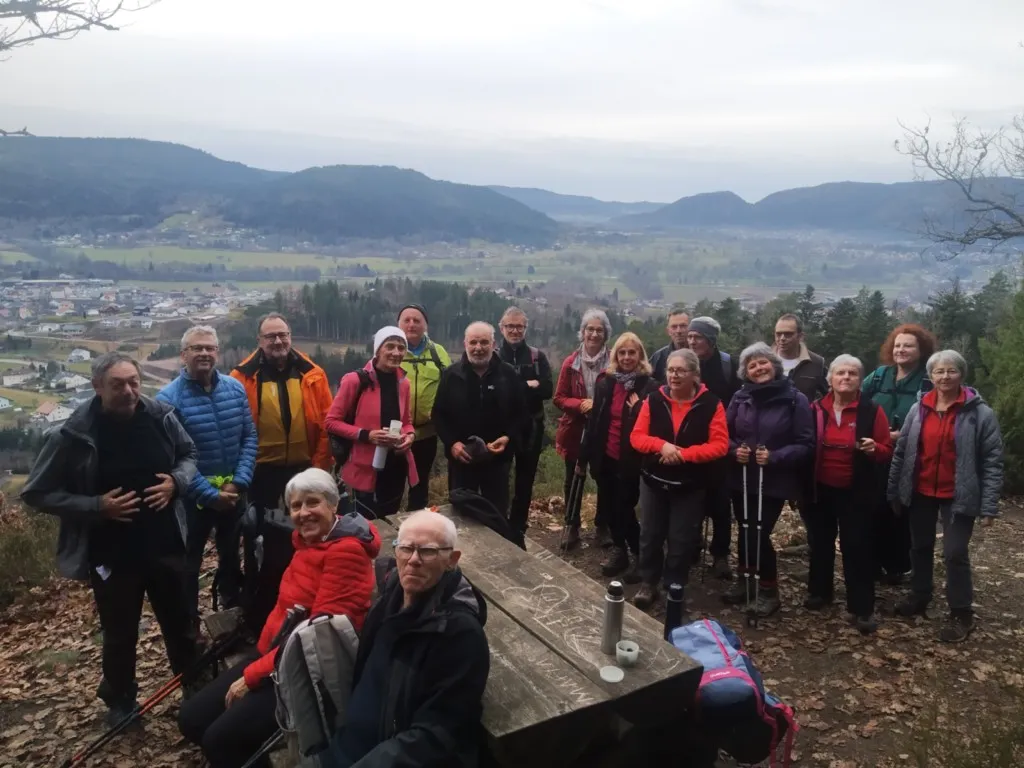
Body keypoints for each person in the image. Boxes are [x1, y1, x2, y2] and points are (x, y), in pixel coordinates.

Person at [22, 352, 199, 726]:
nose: (129, 390)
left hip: (166, 543)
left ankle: (196, 689)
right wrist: (95, 505)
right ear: (97, 387)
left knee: (181, 623)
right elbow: (36, 493)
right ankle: (120, 700)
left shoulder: (160, 416)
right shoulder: (73, 434)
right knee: (119, 634)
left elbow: (189, 454)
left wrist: (176, 483)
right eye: (117, 384)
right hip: (112, 553)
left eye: (133, 381)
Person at [179, 468, 380, 768]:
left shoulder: (345, 552)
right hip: (274, 656)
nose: (303, 513)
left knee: (219, 741)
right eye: (296, 506)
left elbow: (316, 638)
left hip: (307, 674)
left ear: (334, 505)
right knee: (191, 718)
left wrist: (251, 676)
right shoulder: (308, 544)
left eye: (313, 502)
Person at [329, 510, 490, 767]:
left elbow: (436, 735)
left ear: (452, 559)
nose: (413, 560)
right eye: (406, 548)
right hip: (342, 745)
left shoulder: (459, 635)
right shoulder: (388, 603)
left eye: (427, 551)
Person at [887, 350, 1003, 643]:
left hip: (959, 494)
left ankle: (961, 612)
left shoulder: (979, 413)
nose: (945, 376)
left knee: (954, 552)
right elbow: (902, 453)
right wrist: (894, 491)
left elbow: (992, 460)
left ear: (962, 374)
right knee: (920, 546)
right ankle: (920, 594)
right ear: (931, 376)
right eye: (939, 371)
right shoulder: (919, 409)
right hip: (921, 490)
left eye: (951, 371)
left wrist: (989, 505)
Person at [231, 312, 334, 632]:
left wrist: (318, 469)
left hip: (303, 469)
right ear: (259, 341)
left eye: (283, 335)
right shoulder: (242, 377)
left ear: (291, 337)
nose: (278, 341)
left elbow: (326, 425)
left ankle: (306, 601)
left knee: (307, 535)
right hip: (261, 472)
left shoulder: (312, 374)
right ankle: (261, 608)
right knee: (260, 540)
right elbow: (236, 430)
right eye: (270, 336)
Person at [157, 325, 257, 623]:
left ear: (217, 352)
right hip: (192, 499)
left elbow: (249, 438)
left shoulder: (235, 388)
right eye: (196, 348)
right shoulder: (168, 399)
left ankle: (231, 606)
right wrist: (210, 495)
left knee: (231, 553)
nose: (204, 353)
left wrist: (239, 483)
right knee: (189, 561)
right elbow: (172, 458)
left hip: (234, 491)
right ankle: (188, 622)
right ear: (183, 355)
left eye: (209, 348)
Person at [629, 348, 729, 609]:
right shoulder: (653, 400)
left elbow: (719, 445)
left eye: (681, 370)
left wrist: (684, 455)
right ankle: (648, 582)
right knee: (650, 533)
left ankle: (675, 584)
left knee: (681, 537)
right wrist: (662, 446)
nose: (674, 375)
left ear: (695, 375)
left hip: (690, 484)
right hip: (653, 479)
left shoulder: (711, 404)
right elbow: (637, 437)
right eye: (671, 370)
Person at [723, 343, 814, 617]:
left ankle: (768, 589)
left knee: (758, 532)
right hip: (741, 476)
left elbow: (806, 443)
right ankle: (745, 579)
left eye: (763, 363)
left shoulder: (795, 399)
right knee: (745, 526)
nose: (758, 368)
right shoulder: (740, 398)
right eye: (752, 366)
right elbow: (723, 433)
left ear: (774, 365)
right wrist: (732, 450)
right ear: (746, 373)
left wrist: (774, 457)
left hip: (773, 480)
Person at [804, 355, 892, 635]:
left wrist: (874, 449)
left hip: (857, 490)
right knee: (819, 543)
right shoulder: (815, 409)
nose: (846, 377)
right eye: (840, 373)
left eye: (852, 373)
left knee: (856, 546)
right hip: (820, 488)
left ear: (859, 380)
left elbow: (886, 449)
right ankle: (820, 592)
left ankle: (861, 606)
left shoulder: (871, 411)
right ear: (829, 379)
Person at [578, 332, 659, 581]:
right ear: (615, 356)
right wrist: (584, 458)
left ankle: (639, 556)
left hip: (632, 460)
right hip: (606, 456)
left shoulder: (650, 387)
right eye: (622, 353)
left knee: (625, 508)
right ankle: (620, 550)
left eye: (631, 353)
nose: (626, 357)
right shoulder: (607, 384)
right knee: (611, 508)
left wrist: (637, 410)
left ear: (640, 356)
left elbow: (654, 425)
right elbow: (595, 423)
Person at [862, 323, 937, 585]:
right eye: (897, 345)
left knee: (900, 510)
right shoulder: (880, 376)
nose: (901, 350)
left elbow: (936, 417)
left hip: (911, 456)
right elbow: (856, 400)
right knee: (874, 508)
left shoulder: (928, 381)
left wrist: (902, 435)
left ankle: (898, 566)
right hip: (877, 454)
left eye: (908, 345)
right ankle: (872, 563)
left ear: (921, 350)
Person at [432, 321, 525, 516]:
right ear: (465, 344)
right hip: (462, 459)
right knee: (462, 511)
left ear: (493, 344)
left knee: (496, 511)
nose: (478, 348)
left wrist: (508, 437)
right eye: (473, 342)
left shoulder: (508, 374)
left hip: (497, 459)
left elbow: (521, 413)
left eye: (484, 342)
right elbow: (439, 415)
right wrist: (452, 444)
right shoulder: (451, 375)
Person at [324, 326, 417, 519]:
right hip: (363, 469)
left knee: (388, 521)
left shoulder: (404, 384)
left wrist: (409, 436)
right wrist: (367, 435)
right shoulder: (355, 381)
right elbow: (331, 422)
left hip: (395, 468)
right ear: (377, 350)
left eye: (401, 348)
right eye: (389, 346)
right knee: (363, 526)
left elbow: (406, 422)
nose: (396, 352)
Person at [554, 308, 612, 550]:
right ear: (583, 332)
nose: (594, 334)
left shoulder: (614, 363)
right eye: (590, 329)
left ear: (606, 334)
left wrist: (598, 405)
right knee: (573, 478)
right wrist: (580, 405)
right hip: (576, 430)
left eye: (599, 330)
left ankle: (603, 527)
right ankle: (572, 526)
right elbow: (559, 398)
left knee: (605, 479)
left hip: (605, 430)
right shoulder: (571, 363)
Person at [687, 316, 739, 579]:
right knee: (692, 496)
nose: (693, 341)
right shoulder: (685, 363)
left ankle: (720, 554)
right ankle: (693, 545)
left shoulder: (729, 366)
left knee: (720, 500)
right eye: (691, 336)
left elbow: (739, 400)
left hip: (721, 443)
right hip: (691, 441)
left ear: (711, 340)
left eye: (699, 337)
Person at [497, 306, 554, 538]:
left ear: (526, 328)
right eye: (510, 326)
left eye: (519, 326)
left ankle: (518, 526)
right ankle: (499, 522)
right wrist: (528, 385)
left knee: (525, 480)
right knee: (499, 478)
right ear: (502, 328)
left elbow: (548, 389)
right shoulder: (493, 356)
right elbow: (496, 392)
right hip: (499, 428)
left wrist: (514, 387)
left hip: (532, 428)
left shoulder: (536, 356)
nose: (514, 330)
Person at [397, 304, 452, 511]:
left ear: (425, 325)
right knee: (391, 485)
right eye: (407, 320)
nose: (412, 324)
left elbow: (450, 385)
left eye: (417, 320)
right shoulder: (391, 349)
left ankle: (417, 529)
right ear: (398, 324)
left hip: (427, 432)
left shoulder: (437, 353)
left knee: (419, 484)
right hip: (396, 433)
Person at [772, 313, 828, 403]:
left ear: (800, 336)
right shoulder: (764, 361)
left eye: (788, 334)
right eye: (778, 334)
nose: (782, 338)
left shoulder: (816, 363)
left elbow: (830, 396)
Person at [649, 308, 691, 384]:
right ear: (668, 331)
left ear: (691, 328)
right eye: (674, 327)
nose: (678, 331)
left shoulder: (701, 355)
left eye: (683, 326)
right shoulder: (658, 357)